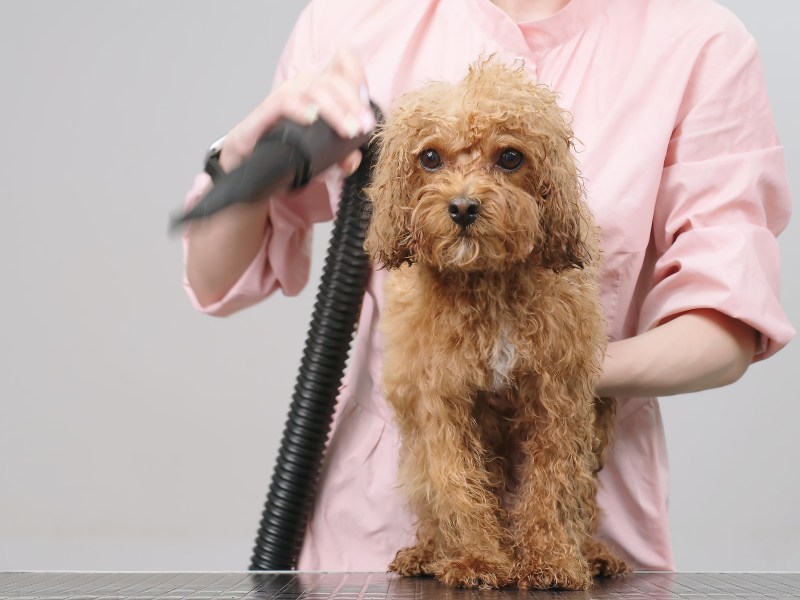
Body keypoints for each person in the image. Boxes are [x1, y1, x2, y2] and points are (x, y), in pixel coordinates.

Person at [182, 0, 795, 571]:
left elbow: (726, 326)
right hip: (368, 534)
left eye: (508, 160)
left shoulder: (699, 43)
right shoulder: (351, 19)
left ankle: (558, 531)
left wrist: (560, 369)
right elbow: (218, 279)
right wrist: (238, 156)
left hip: (592, 527)